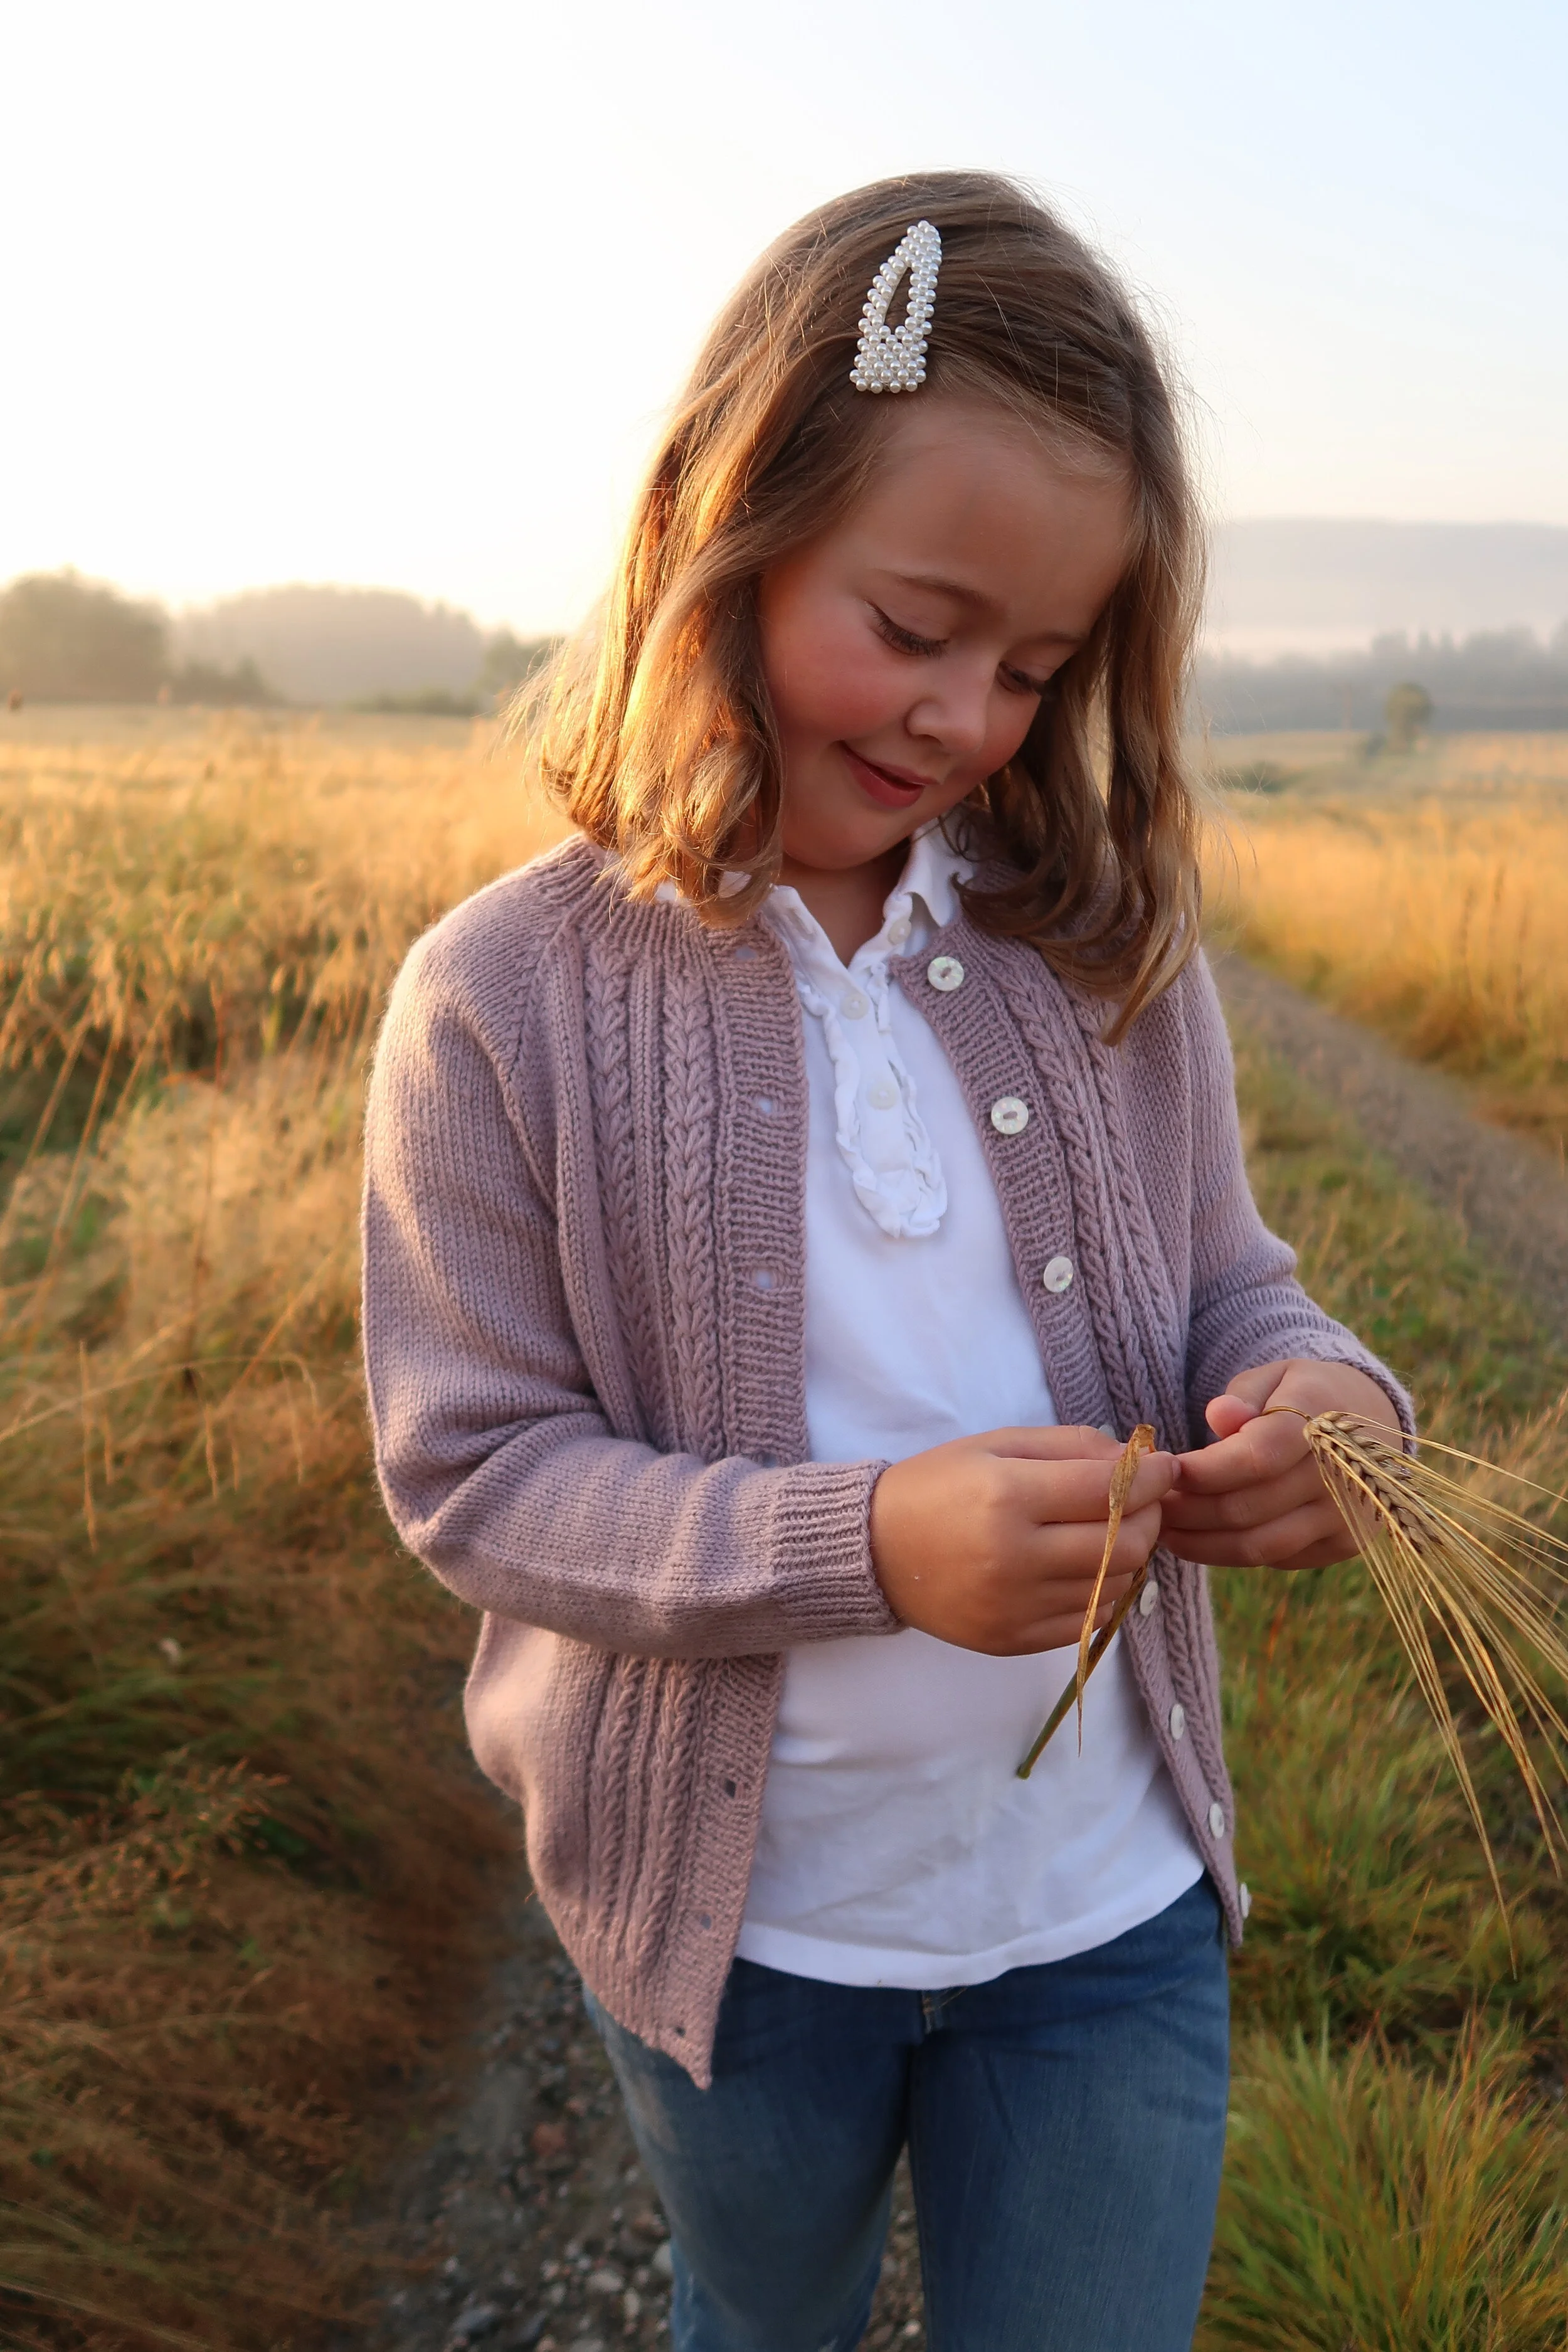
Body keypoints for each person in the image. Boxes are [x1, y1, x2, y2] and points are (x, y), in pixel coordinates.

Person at [362, 172, 1411, 2352]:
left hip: (1099, 1900)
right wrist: (867, 1542)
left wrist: (1327, 1404)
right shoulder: (504, 997)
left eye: (1031, 665)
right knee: (764, 2320)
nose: (961, 713)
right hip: (744, 1939)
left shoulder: (1102, 950)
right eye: (913, 626)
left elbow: (1239, 1284)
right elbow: (476, 1471)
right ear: (729, 532)